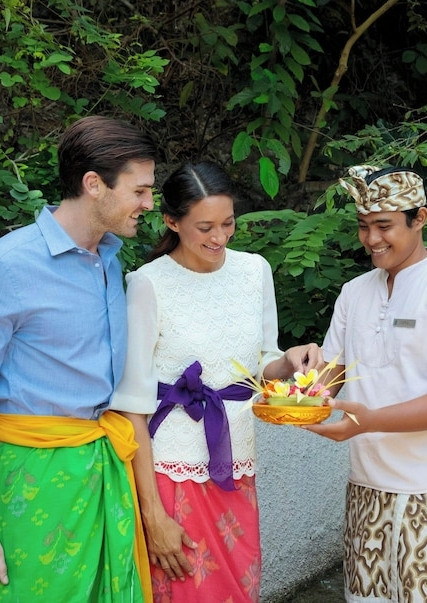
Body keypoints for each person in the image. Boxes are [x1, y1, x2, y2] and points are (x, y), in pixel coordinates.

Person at [0, 115, 159, 602]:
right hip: (29, 481)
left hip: (104, 471)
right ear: (94, 184)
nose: (149, 203)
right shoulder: (3, 269)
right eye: (140, 190)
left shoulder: (112, 258)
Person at [110, 162, 323, 603]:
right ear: (172, 221)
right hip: (170, 473)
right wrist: (152, 515)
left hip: (235, 466)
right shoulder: (148, 284)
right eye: (205, 226)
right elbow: (132, 400)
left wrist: (290, 361)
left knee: (239, 590)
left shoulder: (254, 271)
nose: (220, 237)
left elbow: (261, 363)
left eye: (228, 224)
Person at [303, 165, 427, 603]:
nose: (372, 239)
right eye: (364, 227)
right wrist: (297, 390)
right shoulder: (354, 291)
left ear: (420, 218)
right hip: (367, 485)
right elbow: (329, 377)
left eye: (384, 226)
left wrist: (368, 421)